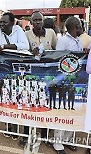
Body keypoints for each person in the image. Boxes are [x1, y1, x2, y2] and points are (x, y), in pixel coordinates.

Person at [20, 10, 57, 147]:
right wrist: (31, 53)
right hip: (32, 76)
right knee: (28, 104)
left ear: (43, 20)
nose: (37, 22)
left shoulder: (51, 33)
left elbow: (56, 50)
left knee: (45, 105)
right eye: (35, 20)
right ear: (31, 22)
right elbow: (23, 53)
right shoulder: (26, 34)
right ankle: (26, 134)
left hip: (48, 76)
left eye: (39, 20)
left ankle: (45, 135)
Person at [53, 16, 83, 154]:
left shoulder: (78, 40)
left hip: (75, 81)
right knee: (62, 112)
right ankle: (57, 143)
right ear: (76, 26)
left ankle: (67, 140)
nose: (82, 28)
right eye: (80, 25)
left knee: (72, 111)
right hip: (64, 81)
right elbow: (59, 59)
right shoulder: (63, 40)